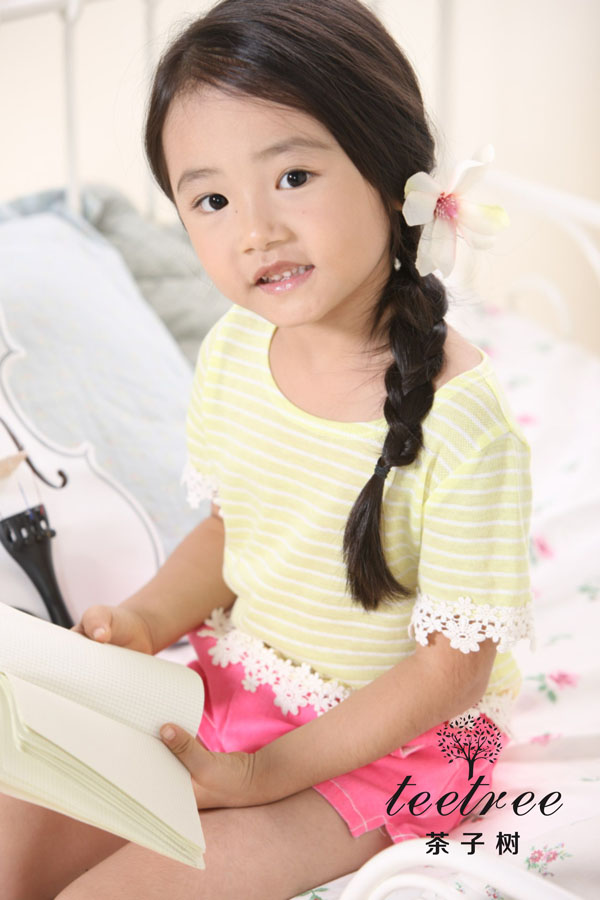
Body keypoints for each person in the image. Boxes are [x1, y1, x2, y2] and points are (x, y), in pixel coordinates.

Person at [0, 1, 534, 897]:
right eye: (211, 199)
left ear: (389, 170)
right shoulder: (236, 350)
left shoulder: (465, 422)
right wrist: (145, 621)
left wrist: (263, 776)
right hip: (249, 693)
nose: (255, 230)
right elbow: (232, 527)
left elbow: (452, 670)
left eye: (292, 177)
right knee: (16, 836)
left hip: (395, 744)